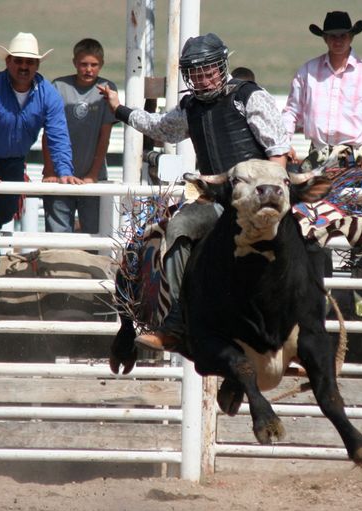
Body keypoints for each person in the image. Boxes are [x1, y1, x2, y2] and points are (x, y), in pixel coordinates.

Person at [99, 33, 290, 351]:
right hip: (217, 201)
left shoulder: (249, 96)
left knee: (308, 241)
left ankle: (301, 328)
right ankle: (176, 322)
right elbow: (159, 127)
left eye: (208, 71)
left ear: (222, 66)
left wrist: (272, 195)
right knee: (179, 226)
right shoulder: (190, 108)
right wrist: (119, 110)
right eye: (195, 73)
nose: (201, 79)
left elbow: (278, 150)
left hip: (260, 201)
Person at [282, 11, 362, 318]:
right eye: (332, 35)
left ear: (351, 37)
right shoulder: (307, 72)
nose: (337, 40)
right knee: (311, 228)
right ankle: (319, 298)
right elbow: (290, 112)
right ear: (325, 38)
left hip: (352, 158)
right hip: (316, 157)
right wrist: (286, 143)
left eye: (342, 35)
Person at [0, 32, 76, 279]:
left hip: (14, 158)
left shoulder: (48, 94)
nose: (24, 66)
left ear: (37, 65)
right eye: (18, 61)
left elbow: (58, 135)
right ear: (8, 62)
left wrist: (64, 171)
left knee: (7, 209)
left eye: (29, 62)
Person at [42, 38, 117, 234]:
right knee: (58, 232)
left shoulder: (107, 89)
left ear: (101, 65)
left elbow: (105, 136)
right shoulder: (59, 86)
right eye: (84, 64)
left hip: (92, 174)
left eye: (94, 65)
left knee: (94, 232)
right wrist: (50, 170)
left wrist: (93, 174)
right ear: (75, 62)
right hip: (60, 173)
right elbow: (48, 131)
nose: (88, 70)